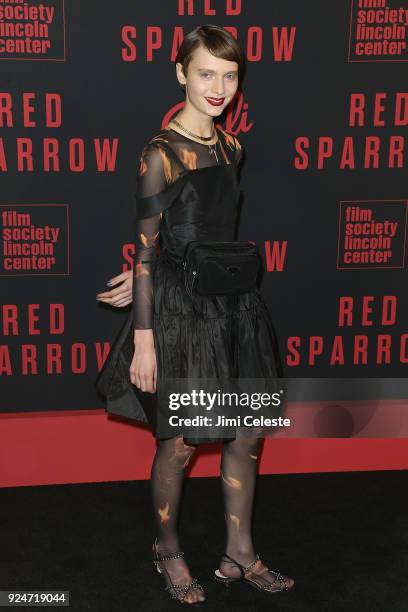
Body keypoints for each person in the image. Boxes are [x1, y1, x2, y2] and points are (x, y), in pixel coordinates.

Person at [96, 24, 294, 604]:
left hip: (235, 310)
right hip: (181, 320)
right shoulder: (159, 153)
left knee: (247, 434)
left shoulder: (233, 148)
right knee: (181, 442)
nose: (219, 87)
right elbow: (149, 250)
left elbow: (206, 237)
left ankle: (240, 552)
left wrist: (162, 275)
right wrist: (145, 340)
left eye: (230, 76)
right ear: (181, 72)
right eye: (206, 73)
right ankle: (167, 549)